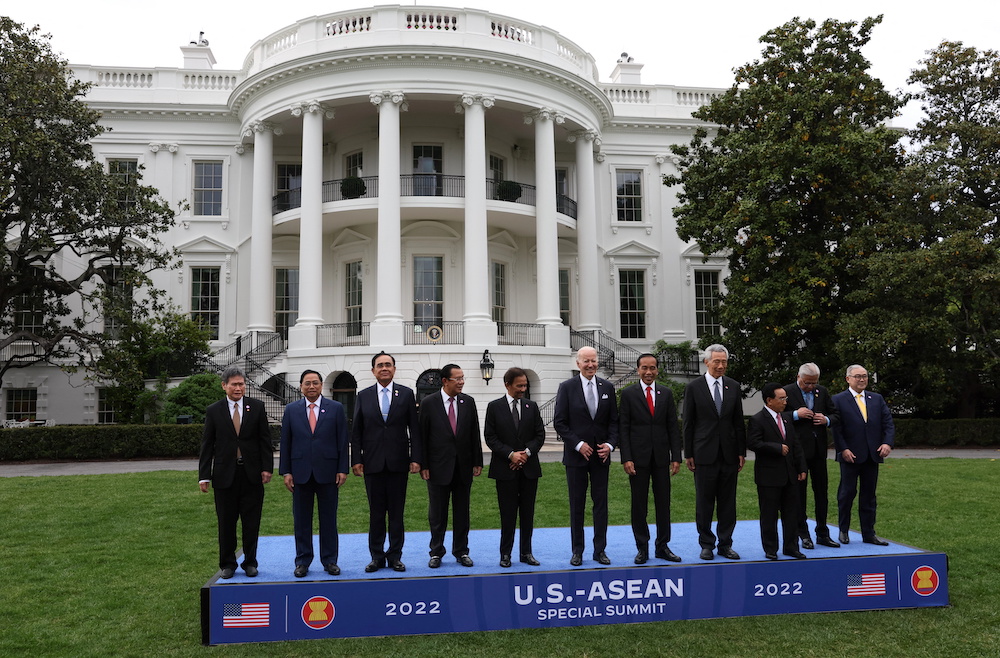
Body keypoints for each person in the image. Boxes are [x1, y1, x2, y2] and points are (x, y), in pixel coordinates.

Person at [198, 366, 274, 579]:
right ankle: (228, 564)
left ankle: (250, 562)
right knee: (226, 522)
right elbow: (207, 444)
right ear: (224, 386)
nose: (239, 388)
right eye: (234, 384)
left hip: (252, 474)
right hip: (224, 476)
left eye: (241, 384)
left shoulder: (256, 407)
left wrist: (267, 467)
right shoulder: (214, 410)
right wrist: (204, 475)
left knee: (251, 522)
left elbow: (264, 440)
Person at [350, 352, 422, 573]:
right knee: (376, 513)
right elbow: (357, 431)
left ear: (394, 369)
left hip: (398, 463)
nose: (384, 368)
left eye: (388, 365)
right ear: (373, 370)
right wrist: (356, 460)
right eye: (380, 365)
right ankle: (377, 557)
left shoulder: (407, 394)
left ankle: (395, 557)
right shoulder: (363, 396)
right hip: (372, 464)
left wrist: (416, 458)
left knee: (397, 514)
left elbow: (415, 430)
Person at [279, 370, 349, 577]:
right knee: (301, 520)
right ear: (301, 386)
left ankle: (329, 560)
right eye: (307, 383)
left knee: (329, 519)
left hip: (328, 473)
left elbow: (343, 441)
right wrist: (286, 472)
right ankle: (302, 561)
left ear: (321, 385)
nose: (311, 386)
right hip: (300, 473)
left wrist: (342, 469)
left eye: (315, 383)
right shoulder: (291, 410)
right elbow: (286, 443)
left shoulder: (335, 408)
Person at [553, 346, 618, 566]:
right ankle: (577, 550)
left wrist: (609, 445)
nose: (591, 365)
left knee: (601, 505)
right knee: (577, 505)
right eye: (586, 361)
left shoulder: (607, 387)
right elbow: (560, 422)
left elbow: (614, 422)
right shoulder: (566, 387)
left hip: (601, 457)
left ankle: (600, 550)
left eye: (593, 360)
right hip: (576, 458)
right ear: (578, 364)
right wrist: (578, 444)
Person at [682, 344, 746, 561]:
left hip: (729, 454)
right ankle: (706, 544)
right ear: (706, 362)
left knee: (728, 502)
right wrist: (688, 452)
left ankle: (725, 544)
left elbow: (738, 422)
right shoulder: (694, 388)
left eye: (724, 362)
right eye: (717, 361)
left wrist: (741, 451)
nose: (721, 366)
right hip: (703, 453)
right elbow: (688, 423)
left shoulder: (734, 387)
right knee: (705, 502)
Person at [618, 353, 682, 564]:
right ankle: (642, 548)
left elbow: (673, 426)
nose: (648, 372)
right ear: (638, 370)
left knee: (663, 504)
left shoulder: (666, 393)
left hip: (662, 458)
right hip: (638, 459)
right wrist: (626, 457)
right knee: (639, 505)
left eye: (652, 368)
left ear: (657, 370)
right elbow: (624, 428)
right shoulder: (628, 394)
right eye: (644, 368)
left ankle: (662, 546)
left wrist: (676, 457)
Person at [420, 364, 483, 568]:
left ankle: (461, 551)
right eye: (457, 378)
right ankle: (436, 552)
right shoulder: (429, 403)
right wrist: (424, 465)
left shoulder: (468, 402)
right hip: (438, 467)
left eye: (463, 378)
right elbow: (422, 437)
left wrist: (477, 461)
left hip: (463, 467)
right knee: (437, 513)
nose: (462, 382)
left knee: (462, 512)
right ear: (445, 381)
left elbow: (474, 433)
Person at [484, 367, 545, 568]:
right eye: (519, 385)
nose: (523, 389)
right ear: (507, 385)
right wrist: (511, 454)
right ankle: (505, 554)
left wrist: (525, 454)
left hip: (529, 470)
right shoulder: (494, 407)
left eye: (525, 385)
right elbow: (490, 437)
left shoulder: (532, 406)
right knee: (508, 514)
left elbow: (539, 435)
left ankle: (526, 552)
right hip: (505, 469)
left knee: (528, 514)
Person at [832, 364, 895, 546]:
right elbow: (836, 428)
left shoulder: (876, 399)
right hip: (849, 455)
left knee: (869, 496)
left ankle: (869, 533)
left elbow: (888, 423)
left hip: (872, 455)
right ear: (848, 379)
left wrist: (887, 443)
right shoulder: (838, 400)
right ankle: (843, 530)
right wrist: (843, 449)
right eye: (858, 376)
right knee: (846, 494)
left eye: (865, 376)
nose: (862, 380)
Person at [747, 383, 807, 560]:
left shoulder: (786, 419)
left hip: (789, 475)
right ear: (769, 400)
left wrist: (801, 467)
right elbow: (753, 443)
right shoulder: (757, 419)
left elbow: (795, 445)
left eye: (786, 398)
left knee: (791, 513)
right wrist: (775, 448)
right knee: (769, 515)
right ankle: (771, 549)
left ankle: (791, 547)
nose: (785, 402)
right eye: (782, 398)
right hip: (769, 477)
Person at [784, 363, 841, 549]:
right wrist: (794, 414)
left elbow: (835, 414)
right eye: (807, 383)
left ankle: (822, 532)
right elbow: (775, 416)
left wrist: (826, 419)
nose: (811, 387)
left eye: (814, 383)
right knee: (800, 493)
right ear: (799, 377)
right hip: (798, 451)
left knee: (821, 492)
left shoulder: (821, 392)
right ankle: (803, 533)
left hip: (818, 450)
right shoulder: (787, 391)